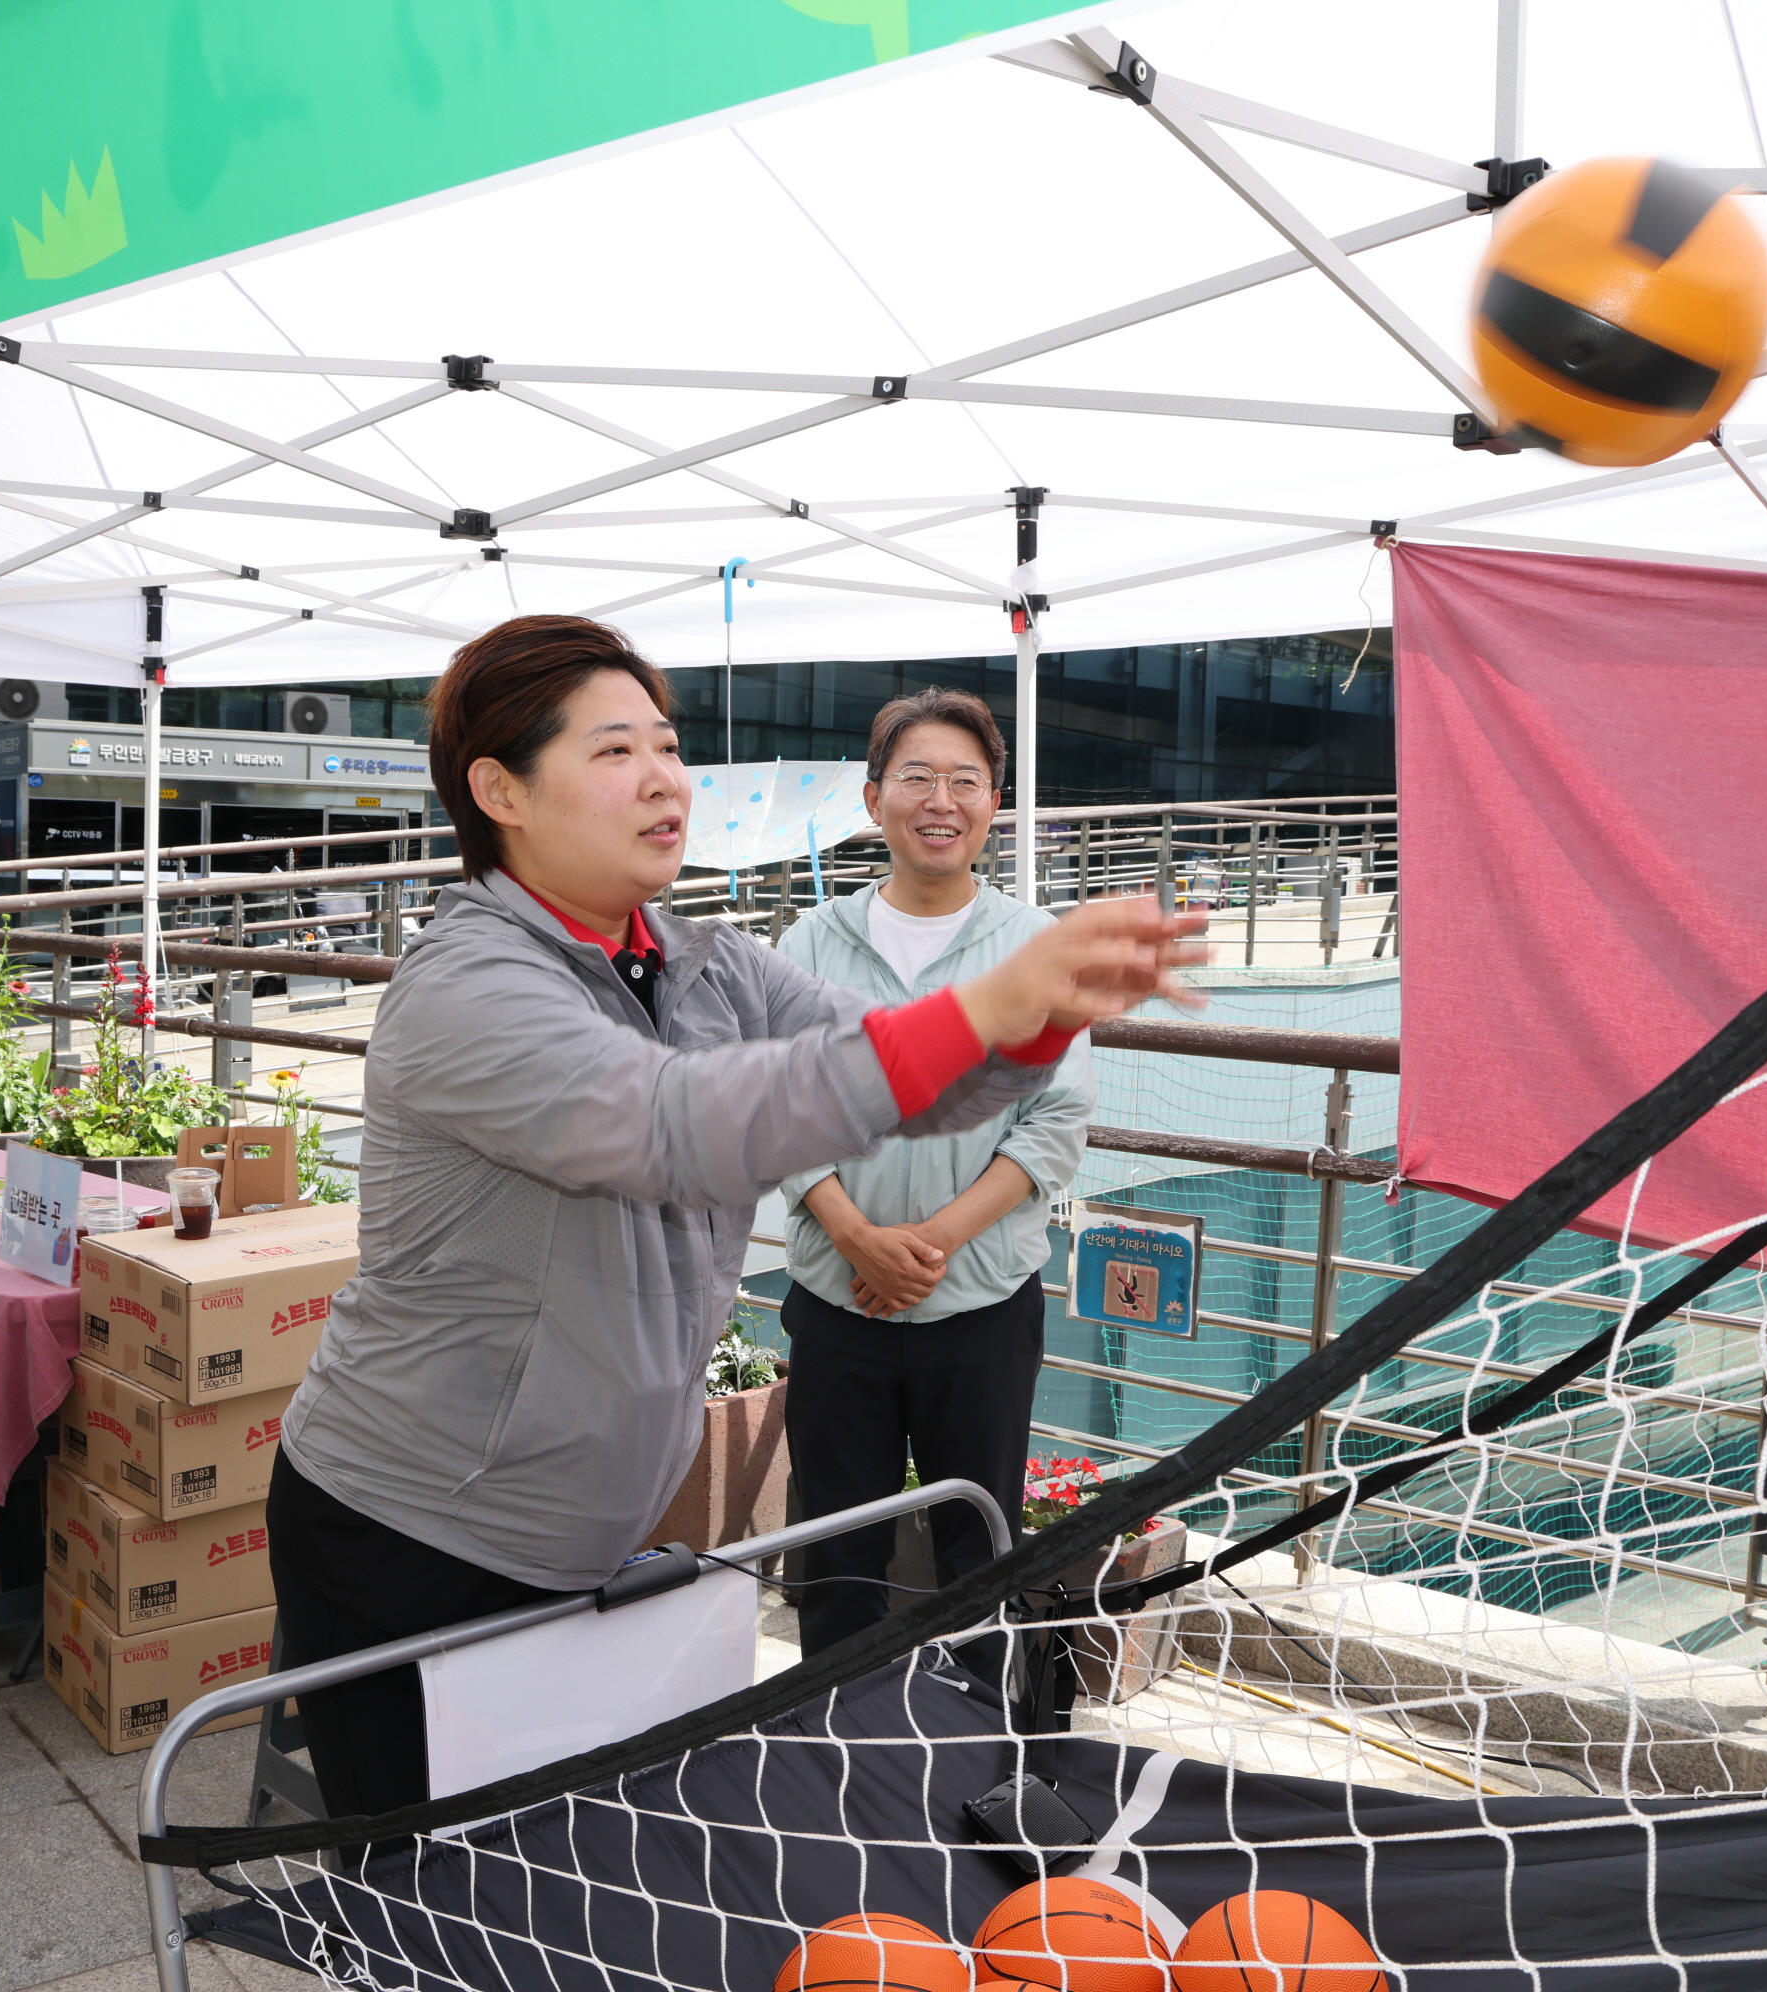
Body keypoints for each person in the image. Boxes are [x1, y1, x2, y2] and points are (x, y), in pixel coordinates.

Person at [269, 615, 1199, 1817]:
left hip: (584, 1528)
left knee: (552, 1865)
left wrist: (1045, 1012)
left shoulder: (709, 961)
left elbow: (912, 1082)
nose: (666, 777)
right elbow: (679, 1124)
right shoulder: (467, 984)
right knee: (423, 1881)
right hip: (413, 1523)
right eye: (615, 751)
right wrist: (986, 1005)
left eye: (668, 744)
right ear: (499, 790)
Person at [775, 689, 1094, 1657]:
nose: (940, 800)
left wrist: (931, 1242)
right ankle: (832, 1732)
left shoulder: (1037, 946)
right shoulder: (808, 945)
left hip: (982, 1307)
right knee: (836, 1558)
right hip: (840, 1300)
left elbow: (1057, 1118)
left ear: (994, 802)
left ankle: (979, 1734)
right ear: (874, 798)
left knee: (981, 1558)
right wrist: (856, 1236)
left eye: (965, 780)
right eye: (916, 776)